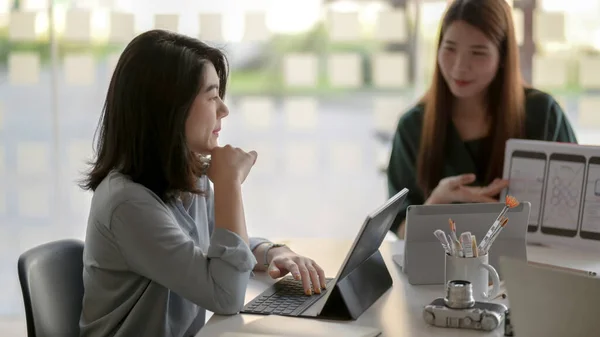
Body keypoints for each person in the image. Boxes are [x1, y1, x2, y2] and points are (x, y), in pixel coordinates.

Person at [78, 29, 327, 337]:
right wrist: (229, 184)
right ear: (169, 109)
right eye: (211, 96)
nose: (223, 109)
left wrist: (271, 252)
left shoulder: (187, 175)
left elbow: (218, 242)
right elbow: (226, 296)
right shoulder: (128, 204)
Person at [387, 0, 578, 239]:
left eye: (478, 53)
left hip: (529, 266)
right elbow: (403, 232)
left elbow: (579, 207)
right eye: (450, 48)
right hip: (443, 271)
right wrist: (438, 200)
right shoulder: (413, 126)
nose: (459, 67)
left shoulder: (542, 113)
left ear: (502, 58)